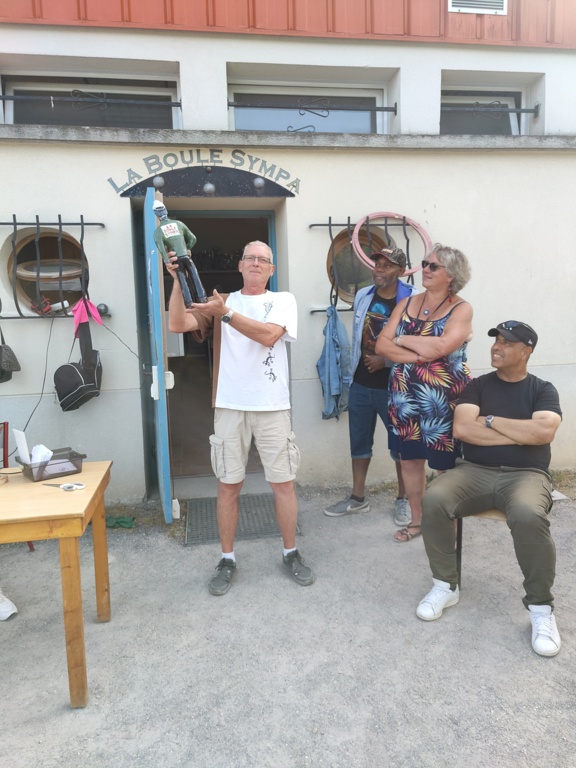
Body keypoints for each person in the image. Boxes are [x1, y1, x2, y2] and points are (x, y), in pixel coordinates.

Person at [167, 240, 314, 595]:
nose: (256, 263)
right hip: (229, 406)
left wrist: (226, 314)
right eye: (250, 257)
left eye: (263, 259)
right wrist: (176, 281)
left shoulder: (282, 300)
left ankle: (291, 553)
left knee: (283, 484)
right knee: (228, 485)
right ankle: (227, 558)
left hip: (272, 406)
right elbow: (177, 323)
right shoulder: (222, 301)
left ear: (271, 269)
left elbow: (269, 336)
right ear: (240, 264)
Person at [416, 321, 563, 657]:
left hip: (527, 474)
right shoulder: (477, 386)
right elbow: (463, 429)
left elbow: (543, 433)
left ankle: (540, 608)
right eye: (496, 340)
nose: (497, 347)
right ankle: (445, 585)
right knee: (435, 497)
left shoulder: (542, 390)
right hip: (474, 471)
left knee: (528, 514)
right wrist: (520, 434)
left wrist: (492, 420)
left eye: (507, 343)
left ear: (526, 351)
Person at [375, 244, 473, 543]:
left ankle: (447, 527)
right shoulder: (407, 303)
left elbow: (443, 347)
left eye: (433, 266)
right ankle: (417, 521)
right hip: (404, 398)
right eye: (424, 264)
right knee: (409, 461)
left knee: (445, 467)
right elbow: (381, 345)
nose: (425, 270)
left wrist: (401, 339)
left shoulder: (461, 308)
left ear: (451, 275)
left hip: (442, 402)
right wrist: (419, 354)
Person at [324, 247, 417, 524]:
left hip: (396, 386)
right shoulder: (364, 295)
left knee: (401, 446)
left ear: (401, 271)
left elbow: (417, 345)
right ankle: (357, 498)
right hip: (361, 384)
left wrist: (385, 361)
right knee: (359, 443)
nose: (379, 269)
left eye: (387, 266)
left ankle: (404, 500)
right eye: (377, 264)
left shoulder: (412, 300)